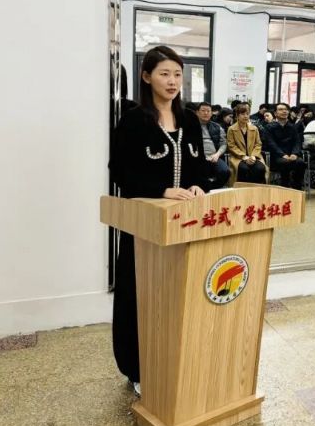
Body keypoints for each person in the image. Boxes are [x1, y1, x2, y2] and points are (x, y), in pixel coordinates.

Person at [108, 46, 208, 396]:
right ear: (146, 76)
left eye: (178, 74)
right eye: (164, 73)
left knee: (180, 295)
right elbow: (120, 172)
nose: (172, 81)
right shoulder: (134, 120)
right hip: (145, 226)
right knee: (141, 296)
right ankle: (138, 367)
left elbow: (200, 166)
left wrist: (198, 185)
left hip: (185, 224)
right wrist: (162, 190)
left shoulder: (190, 120)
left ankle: (177, 361)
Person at [264, 102, 306, 190]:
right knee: (285, 163)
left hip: (291, 155)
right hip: (276, 156)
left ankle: (296, 188)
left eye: (286, 109)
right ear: (275, 113)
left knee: (301, 163)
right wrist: (282, 154)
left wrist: (295, 153)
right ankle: (285, 187)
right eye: (281, 109)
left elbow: (297, 142)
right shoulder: (269, 127)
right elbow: (271, 144)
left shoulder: (292, 127)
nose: (284, 111)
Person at [193, 101, 231, 190]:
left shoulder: (217, 127)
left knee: (225, 171)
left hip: (214, 156)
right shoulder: (190, 126)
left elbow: (223, 143)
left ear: (211, 113)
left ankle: (213, 188)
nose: (206, 113)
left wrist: (217, 154)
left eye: (208, 111)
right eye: (203, 110)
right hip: (197, 157)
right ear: (197, 112)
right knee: (201, 172)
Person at [226, 103, 267, 183]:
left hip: (254, 156)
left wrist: (253, 156)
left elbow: (258, 144)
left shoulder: (254, 128)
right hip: (238, 157)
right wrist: (244, 157)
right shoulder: (231, 129)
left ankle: (255, 188)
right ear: (237, 115)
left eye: (247, 114)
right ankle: (243, 188)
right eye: (242, 114)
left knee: (260, 168)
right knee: (244, 168)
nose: (245, 116)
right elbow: (231, 146)